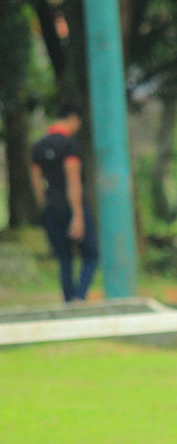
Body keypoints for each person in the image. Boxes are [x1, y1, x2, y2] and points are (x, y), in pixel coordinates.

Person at [31, 103, 99, 302]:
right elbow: (73, 180)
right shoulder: (70, 145)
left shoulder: (39, 146)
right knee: (91, 255)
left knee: (64, 258)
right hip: (71, 206)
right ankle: (79, 297)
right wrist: (77, 215)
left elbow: (36, 181)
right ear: (73, 119)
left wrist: (45, 207)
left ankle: (68, 300)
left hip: (51, 206)